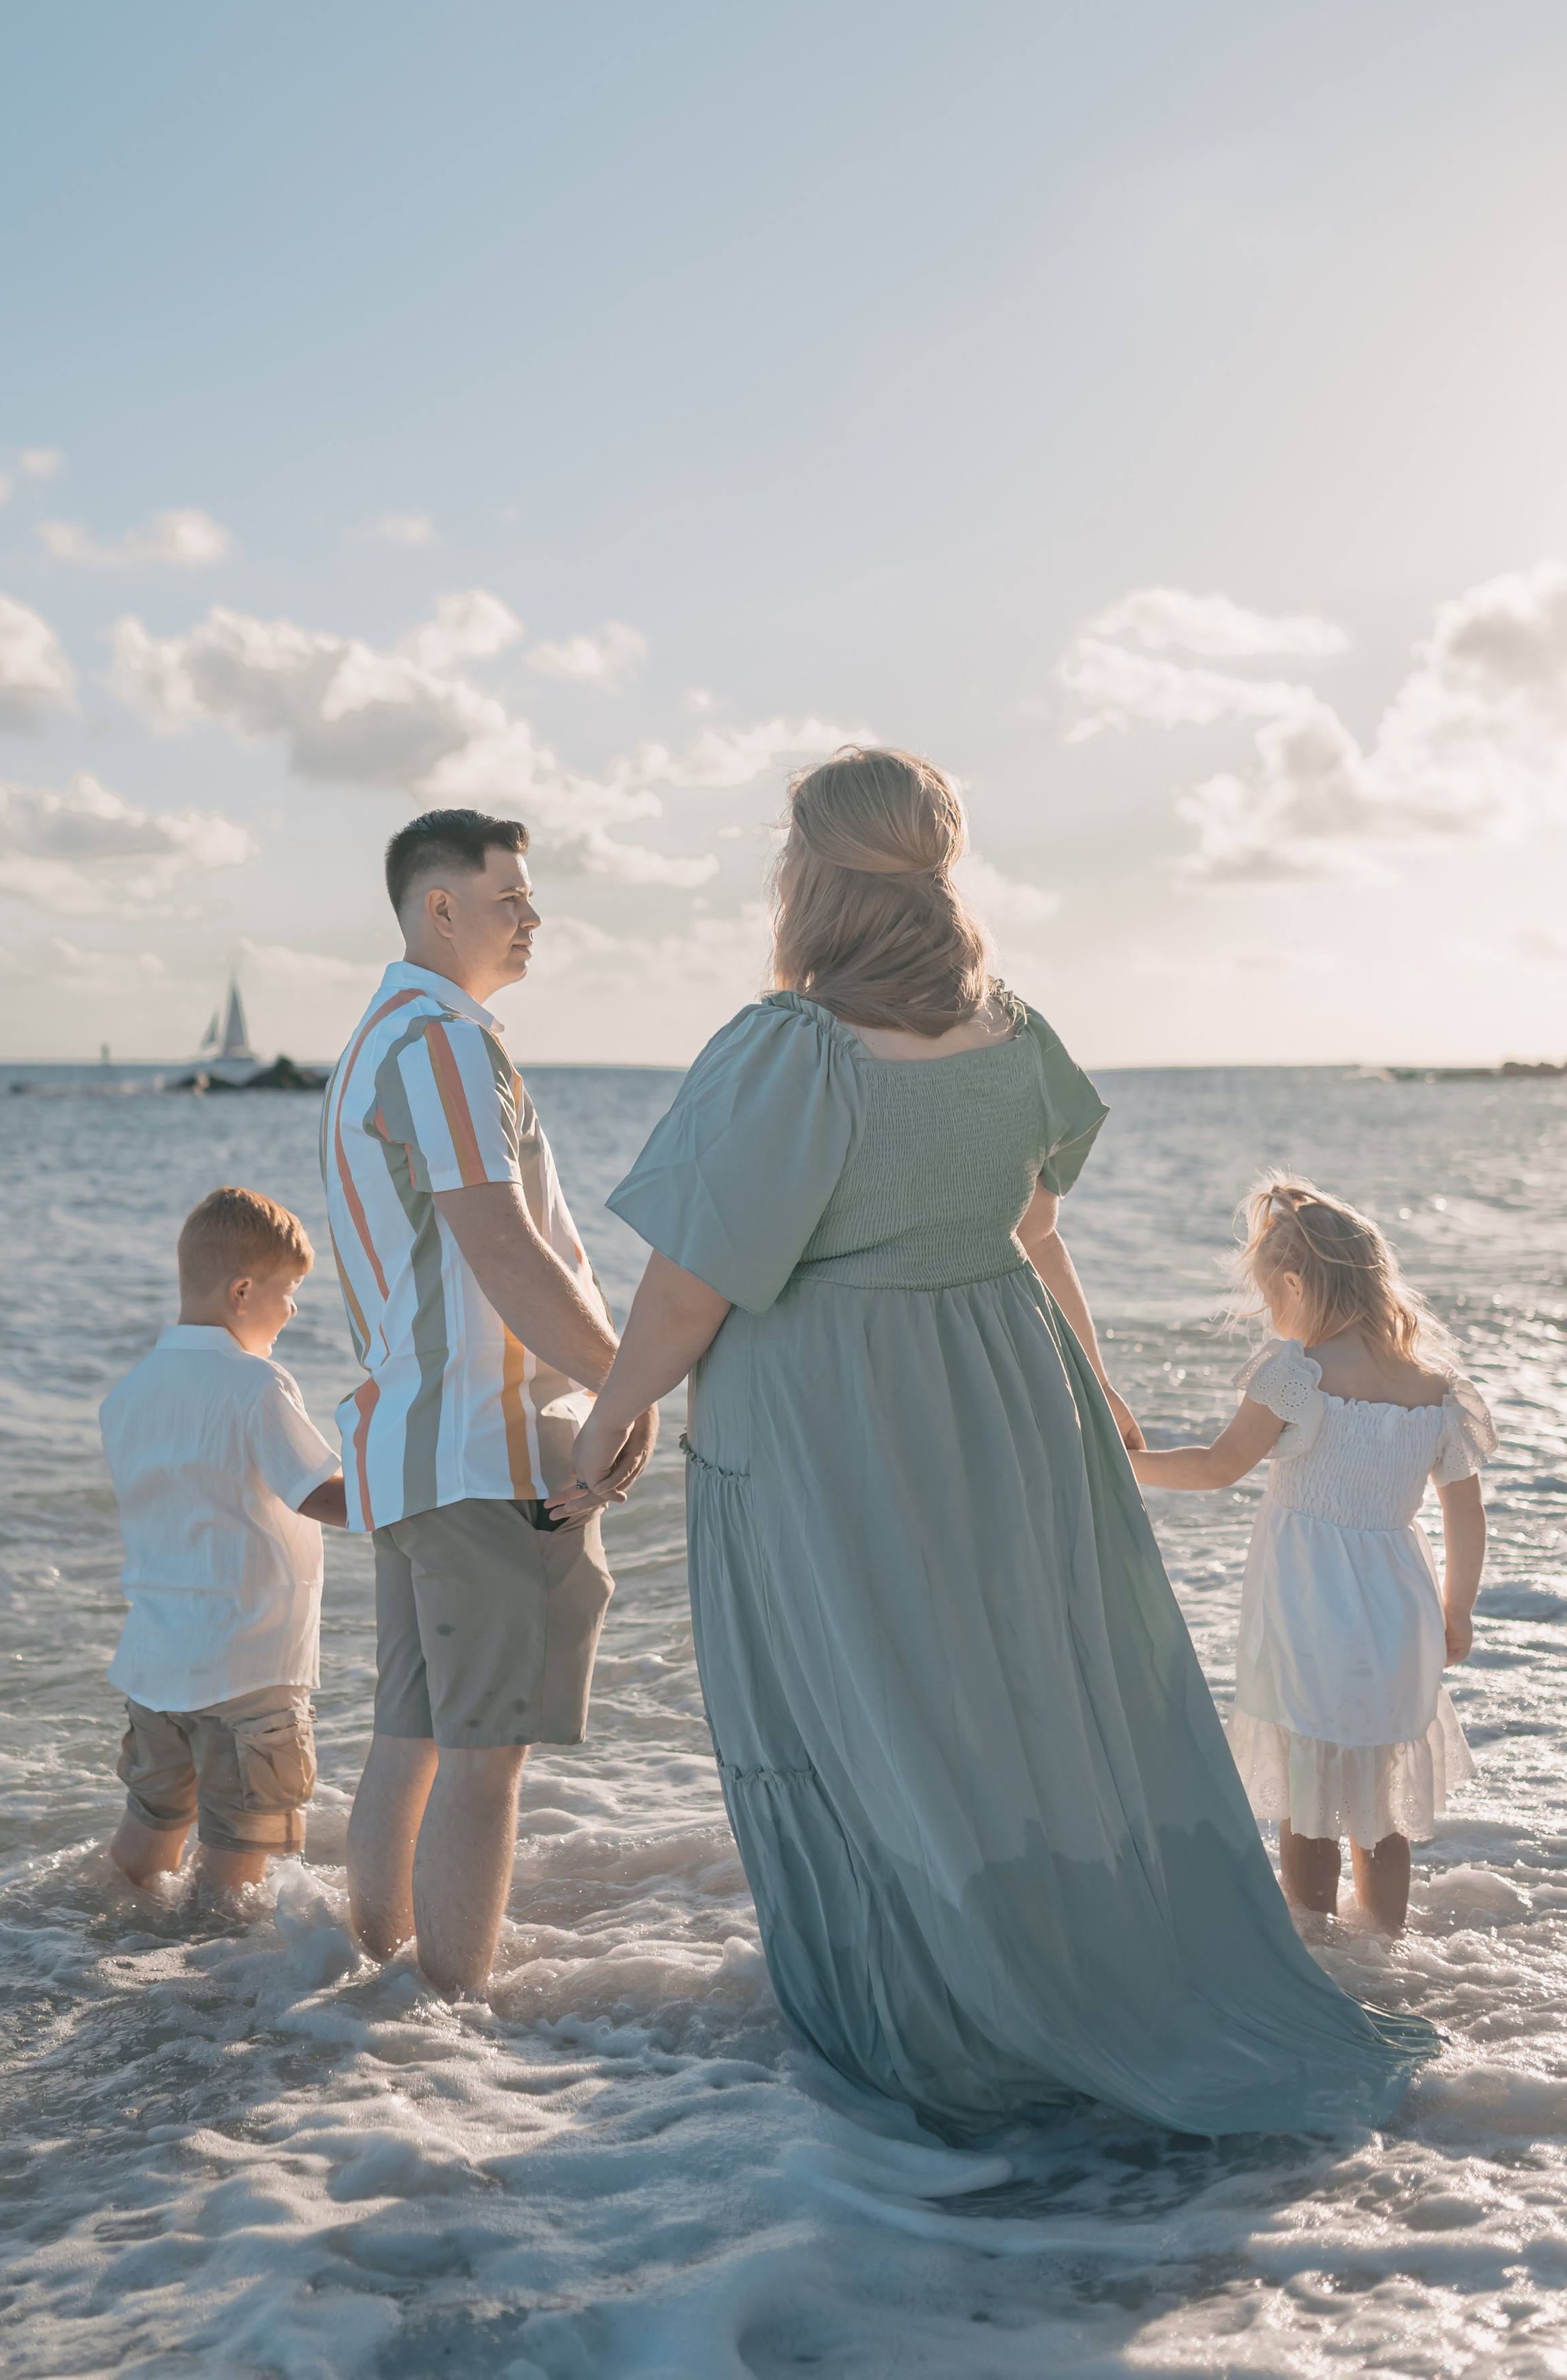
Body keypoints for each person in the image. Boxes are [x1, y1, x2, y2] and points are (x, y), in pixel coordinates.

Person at [572, 745, 1436, 2141]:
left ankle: (921, 1997)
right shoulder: (1012, 1034)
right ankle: (1060, 1960)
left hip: (830, 1417)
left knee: (858, 1702)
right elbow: (1037, 1237)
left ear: (808, 876)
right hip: (1004, 1393)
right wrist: (1090, 1391)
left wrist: (611, 1418)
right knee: (1010, 1701)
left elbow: (687, 1287)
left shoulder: (784, 1051)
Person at [324, 808, 657, 1993]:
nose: (532, 921)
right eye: (509, 899)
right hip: (480, 1452)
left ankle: (372, 2001)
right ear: (439, 908)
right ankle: (449, 2032)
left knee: (411, 1740)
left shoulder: (377, 1042)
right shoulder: (443, 1046)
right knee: (482, 1759)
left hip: (414, 1456)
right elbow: (505, 1250)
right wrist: (629, 1385)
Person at [1128, 1179, 1493, 1934]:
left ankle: (1316, 1945)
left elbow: (1217, 1467)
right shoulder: (1435, 1389)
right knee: (1378, 1805)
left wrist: (1123, 1460)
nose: (1271, 1316)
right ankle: (1382, 1950)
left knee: (1308, 1801)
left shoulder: (1296, 1376)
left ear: (1294, 1284)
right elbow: (1465, 1509)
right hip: (1401, 1617)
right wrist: (1456, 1609)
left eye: (1270, 1299)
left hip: (1308, 1618)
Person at [102, 1187, 349, 1896]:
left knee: (146, 1838)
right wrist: (414, 1499)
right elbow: (319, 1494)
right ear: (243, 1291)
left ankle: (89, 1962)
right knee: (236, 1865)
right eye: (289, 1292)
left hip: (156, 1668)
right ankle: (206, 2000)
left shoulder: (129, 1394)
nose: (293, 1310)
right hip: (251, 1669)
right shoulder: (258, 1384)